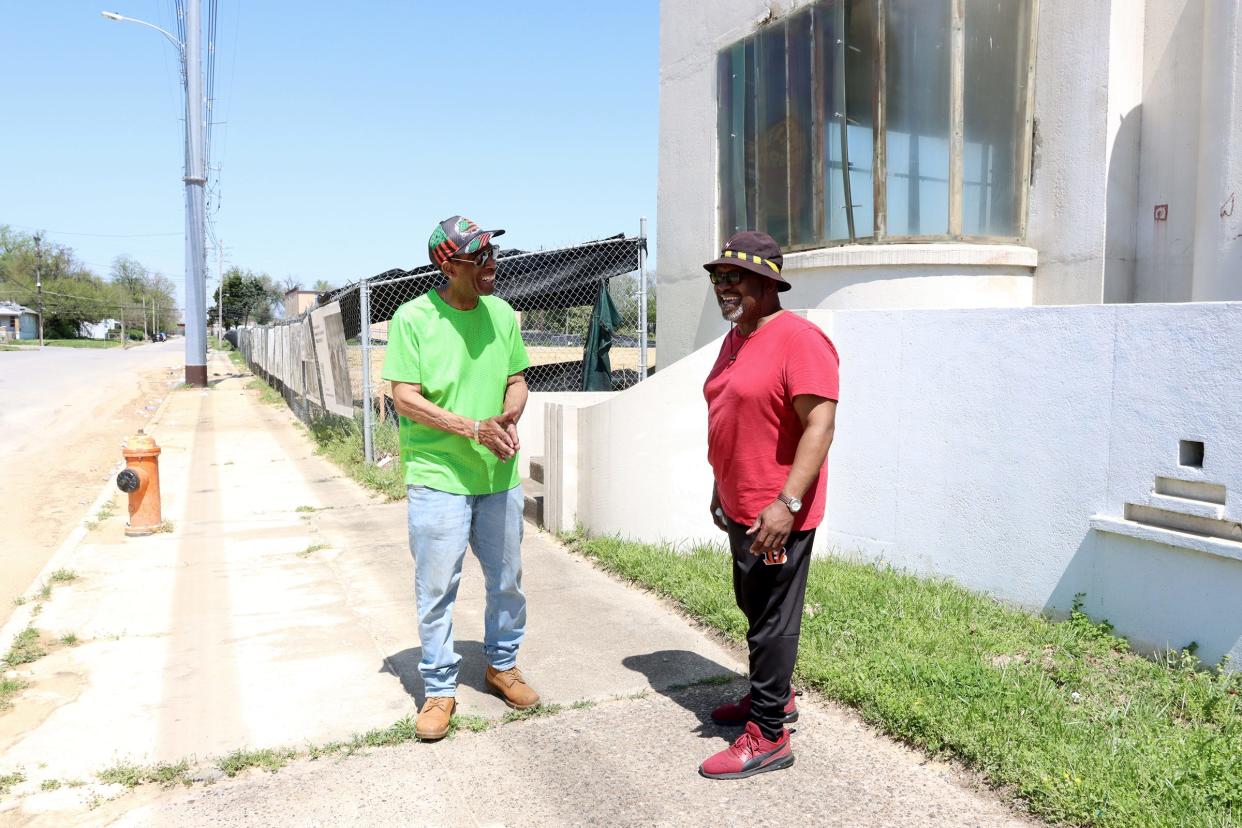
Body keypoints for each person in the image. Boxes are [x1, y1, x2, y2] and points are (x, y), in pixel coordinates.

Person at [382, 215, 539, 742]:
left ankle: (502, 666)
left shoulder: (503, 314)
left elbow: (517, 379)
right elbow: (403, 395)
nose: (494, 264)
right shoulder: (413, 319)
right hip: (438, 476)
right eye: (481, 257)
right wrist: (470, 427)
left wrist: (507, 415)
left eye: (493, 253)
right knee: (436, 588)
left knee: (507, 581)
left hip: (498, 474)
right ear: (448, 266)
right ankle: (439, 690)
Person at [697, 231, 839, 780]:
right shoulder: (738, 337)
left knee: (772, 622)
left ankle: (769, 736)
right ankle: (773, 699)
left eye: (734, 277)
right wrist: (720, 484)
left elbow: (820, 427)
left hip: (777, 512)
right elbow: (731, 416)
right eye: (717, 277)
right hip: (740, 503)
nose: (723, 286)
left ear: (766, 282)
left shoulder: (800, 339)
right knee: (753, 607)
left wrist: (787, 503)